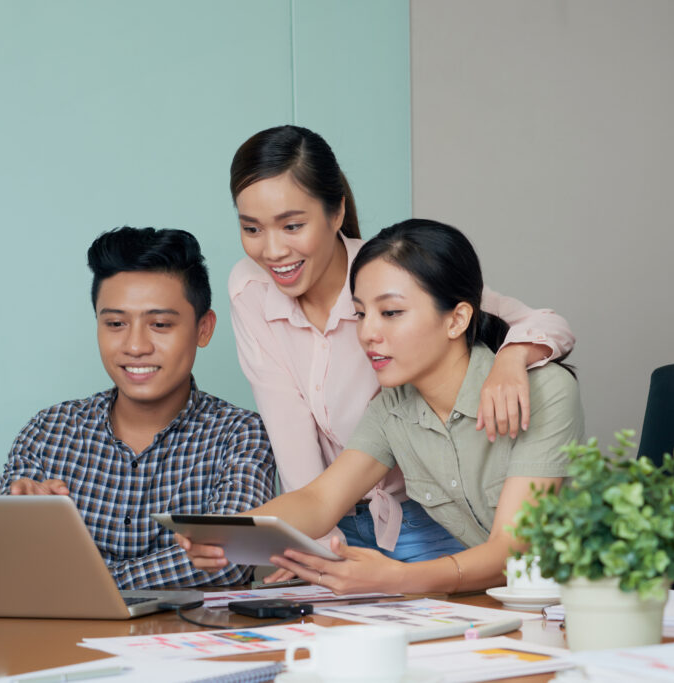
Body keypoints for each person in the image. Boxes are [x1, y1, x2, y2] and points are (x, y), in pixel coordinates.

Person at [227, 125, 576, 563]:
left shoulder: (394, 270)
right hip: (334, 516)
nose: (273, 250)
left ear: (336, 212)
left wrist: (512, 358)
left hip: (426, 516)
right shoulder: (251, 289)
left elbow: (533, 321)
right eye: (251, 228)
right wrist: (290, 544)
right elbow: (297, 451)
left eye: (292, 225)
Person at [182, 218, 585, 594]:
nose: (368, 332)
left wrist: (399, 577)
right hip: (498, 606)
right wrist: (227, 532)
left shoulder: (545, 391)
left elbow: (513, 548)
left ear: (457, 319)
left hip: (577, 605)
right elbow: (319, 500)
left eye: (391, 313)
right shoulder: (391, 408)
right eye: (360, 313)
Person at [0, 227, 276, 589]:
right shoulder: (48, 431)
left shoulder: (241, 435)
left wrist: (91, 585)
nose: (135, 346)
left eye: (160, 324)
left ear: (203, 329)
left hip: (191, 628)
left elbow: (228, 559)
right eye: (115, 324)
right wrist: (19, 524)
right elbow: (3, 559)